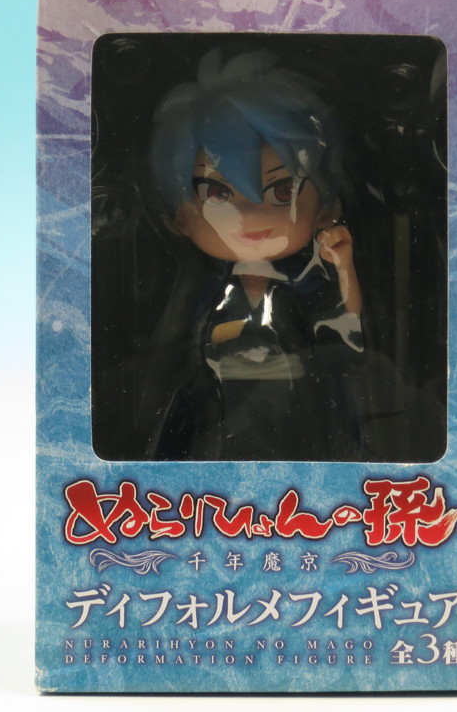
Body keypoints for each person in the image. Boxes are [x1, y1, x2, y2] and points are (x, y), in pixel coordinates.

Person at [149, 49, 364, 461]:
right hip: (219, 409)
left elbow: (347, 323)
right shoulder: (207, 293)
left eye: (283, 191)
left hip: (297, 405)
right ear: (180, 217)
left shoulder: (305, 283)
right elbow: (183, 353)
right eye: (217, 193)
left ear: (326, 207)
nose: (250, 216)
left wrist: (345, 266)